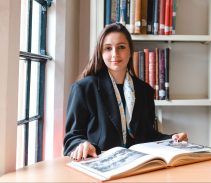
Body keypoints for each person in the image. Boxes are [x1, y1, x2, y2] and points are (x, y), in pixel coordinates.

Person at [64, 23, 188, 161]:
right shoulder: (83, 88)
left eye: (121, 47)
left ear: (130, 51)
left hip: (138, 164)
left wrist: (172, 138)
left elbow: (148, 135)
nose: (115, 54)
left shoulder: (144, 91)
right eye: (108, 48)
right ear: (100, 53)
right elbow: (71, 138)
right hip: (101, 164)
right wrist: (82, 145)